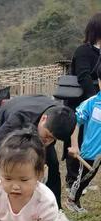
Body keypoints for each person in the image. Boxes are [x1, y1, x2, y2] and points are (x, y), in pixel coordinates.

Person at [0, 95, 77, 221]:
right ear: (44, 119)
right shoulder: (18, 117)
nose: (49, 140)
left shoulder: (60, 116)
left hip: (38, 120)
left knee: (53, 166)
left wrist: (72, 146)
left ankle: (56, 211)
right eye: (47, 136)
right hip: (9, 116)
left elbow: (72, 126)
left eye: (53, 138)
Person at [63, 13, 101, 190]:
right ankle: (72, 180)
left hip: (97, 104)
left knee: (92, 140)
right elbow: (84, 76)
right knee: (76, 138)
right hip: (81, 103)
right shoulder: (83, 51)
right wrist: (95, 100)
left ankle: (84, 177)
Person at [66, 63, 101, 213]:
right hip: (91, 151)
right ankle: (72, 200)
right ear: (99, 81)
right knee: (86, 177)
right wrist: (74, 145)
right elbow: (76, 122)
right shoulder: (91, 103)